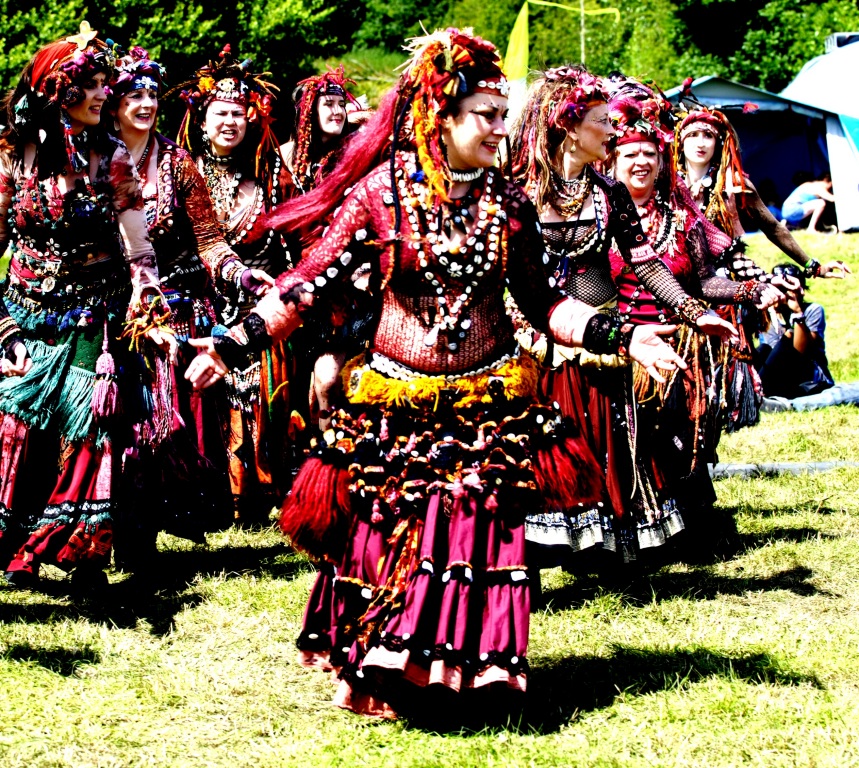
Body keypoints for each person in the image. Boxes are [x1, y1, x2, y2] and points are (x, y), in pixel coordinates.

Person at [185, 28, 687, 719]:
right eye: (485, 113)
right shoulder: (379, 197)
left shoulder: (505, 205)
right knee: (394, 542)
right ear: (438, 114)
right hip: (395, 405)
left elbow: (544, 304)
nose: (498, 128)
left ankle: (465, 681)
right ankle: (386, 674)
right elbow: (307, 286)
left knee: (476, 539)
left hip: (486, 404)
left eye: (501, 113)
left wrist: (626, 335)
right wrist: (231, 343)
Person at [508, 66, 736, 569]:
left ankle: (603, 553)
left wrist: (692, 311)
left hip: (606, 340)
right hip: (532, 344)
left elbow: (645, 262)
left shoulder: (607, 194)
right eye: (601, 122)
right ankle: (535, 554)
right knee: (546, 449)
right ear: (569, 126)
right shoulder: (516, 195)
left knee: (610, 445)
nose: (613, 132)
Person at [0, 24, 172, 590]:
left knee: (88, 425)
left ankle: (80, 555)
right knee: (16, 427)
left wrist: (147, 293)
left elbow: (137, 241)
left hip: (88, 315)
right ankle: (17, 545)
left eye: (106, 83)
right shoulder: (14, 153)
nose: (106, 94)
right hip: (22, 309)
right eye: (92, 84)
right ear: (58, 91)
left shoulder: (111, 154)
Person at [606, 78, 783, 551]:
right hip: (619, 346)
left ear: (664, 162)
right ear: (612, 162)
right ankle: (630, 535)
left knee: (684, 444)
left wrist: (752, 289)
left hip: (683, 347)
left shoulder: (683, 220)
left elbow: (705, 283)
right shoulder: (598, 219)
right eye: (630, 155)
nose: (641, 162)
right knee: (625, 446)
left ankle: (683, 528)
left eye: (650, 154)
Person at [108, 46, 267, 564]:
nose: (147, 102)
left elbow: (210, 242)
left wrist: (241, 274)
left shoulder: (178, 166)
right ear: (113, 103)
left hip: (175, 311)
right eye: (135, 94)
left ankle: (143, 536)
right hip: (108, 310)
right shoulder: (92, 157)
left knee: (161, 428)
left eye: (154, 94)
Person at [172, 46, 291, 524]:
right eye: (220, 113)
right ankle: (208, 494)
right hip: (193, 298)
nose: (230, 122)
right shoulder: (179, 169)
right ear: (201, 120)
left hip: (256, 298)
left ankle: (261, 491)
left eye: (239, 114)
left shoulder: (269, 169)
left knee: (261, 390)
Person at [281, 67, 375, 433]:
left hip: (345, 287)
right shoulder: (284, 160)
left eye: (341, 104)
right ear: (308, 110)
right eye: (328, 104)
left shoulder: (353, 155)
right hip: (293, 286)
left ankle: (331, 451)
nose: (337, 111)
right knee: (296, 389)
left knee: (328, 380)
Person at [675, 96, 848, 278]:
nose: (700, 143)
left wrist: (814, 266)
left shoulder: (735, 184)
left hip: (723, 280)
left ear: (718, 143)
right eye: (693, 135)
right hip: (673, 281)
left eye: (708, 135)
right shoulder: (666, 185)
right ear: (681, 141)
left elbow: (773, 228)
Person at [758, 264, 833, 399]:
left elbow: (803, 353)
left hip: (808, 379)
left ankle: (758, 393)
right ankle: (755, 390)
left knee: (789, 336)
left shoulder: (813, 310)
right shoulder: (767, 314)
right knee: (763, 349)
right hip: (780, 378)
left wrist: (797, 313)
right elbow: (771, 355)